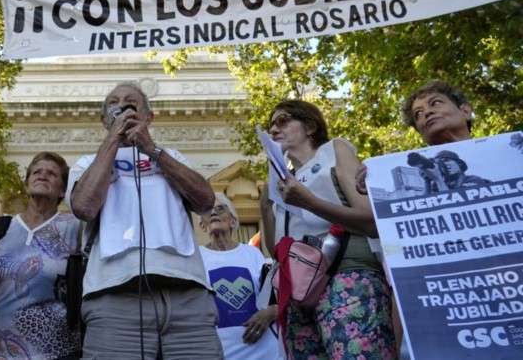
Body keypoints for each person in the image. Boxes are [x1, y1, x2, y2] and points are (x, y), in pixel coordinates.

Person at [66, 81, 223, 359]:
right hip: (114, 296)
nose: (122, 105)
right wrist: (113, 141)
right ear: (104, 120)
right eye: (114, 103)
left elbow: (205, 200)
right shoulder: (88, 162)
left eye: (130, 101)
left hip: (187, 296)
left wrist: (152, 149)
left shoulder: (172, 157)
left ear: (148, 117)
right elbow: (84, 207)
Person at [355, 80, 480, 359]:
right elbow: (400, 260)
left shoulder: (506, 160)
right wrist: (373, 193)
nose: (426, 114)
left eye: (435, 103)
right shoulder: (416, 182)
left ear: (467, 111)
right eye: (418, 114)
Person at [268, 99, 396, 359]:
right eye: (269, 126)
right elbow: (274, 249)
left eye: (282, 121)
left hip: (347, 276)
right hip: (297, 294)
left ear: (309, 127)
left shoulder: (333, 151)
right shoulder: (282, 182)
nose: (273, 130)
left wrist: (309, 202)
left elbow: (370, 220)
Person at [0, 152, 82, 360]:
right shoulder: (1, 226)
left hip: (54, 352)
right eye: (36, 172)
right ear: (27, 184)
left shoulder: (74, 228)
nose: (43, 176)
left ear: (63, 190)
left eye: (52, 174)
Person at [199, 193, 282, 360]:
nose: (214, 212)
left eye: (220, 208)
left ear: (233, 221)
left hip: (264, 350)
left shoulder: (253, 253)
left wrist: (272, 311)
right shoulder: (196, 257)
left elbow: (276, 295)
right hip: (221, 352)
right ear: (202, 226)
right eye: (208, 210)